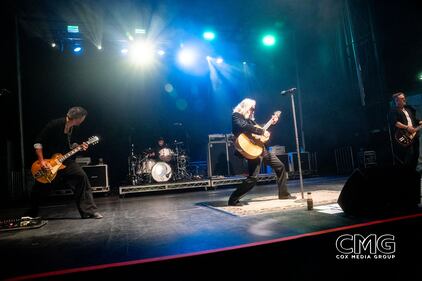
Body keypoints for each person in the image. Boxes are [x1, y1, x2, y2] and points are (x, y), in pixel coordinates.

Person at [26, 106, 103, 219]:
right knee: (41, 187)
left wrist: (78, 147)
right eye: (83, 118)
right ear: (78, 118)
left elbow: (70, 145)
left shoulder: (74, 128)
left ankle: (89, 211)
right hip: (49, 162)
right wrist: (42, 161)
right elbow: (38, 143)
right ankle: (30, 214)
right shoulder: (54, 125)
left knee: (81, 177)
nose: (83, 121)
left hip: (65, 160)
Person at [228, 98, 296, 206]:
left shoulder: (250, 119)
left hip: (260, 148)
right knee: (253, 178)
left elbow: (258, 128)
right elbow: (244, 126)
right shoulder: (236, 116)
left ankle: (283, 194)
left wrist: (271, 123)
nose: (253, 111)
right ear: (246, 107)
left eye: (254, 109)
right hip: (251, 149)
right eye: (252, 108)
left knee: (280, 166)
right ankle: (233, 199)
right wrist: (261, 131)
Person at [389, 92, 422, 170]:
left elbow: (413, 120)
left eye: (404, 98)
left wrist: (419, 121)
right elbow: (395, 123)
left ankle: (414, 173)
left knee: (416, 154)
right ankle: (407, 174)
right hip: (404, 135)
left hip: (414, 135)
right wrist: (407, 127)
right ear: (396, 101)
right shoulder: (393, 111)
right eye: (402, 98)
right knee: (409, 155)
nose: (404, 100)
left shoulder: (408, 109)